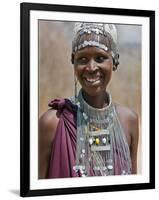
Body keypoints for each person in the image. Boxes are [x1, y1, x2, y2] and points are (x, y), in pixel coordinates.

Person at [39, 22, 139, 179]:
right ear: (73, 62)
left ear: (115, 61)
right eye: (83, 59)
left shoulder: (129, 121)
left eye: (100, 58)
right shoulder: (52, 123)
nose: (91, 68)